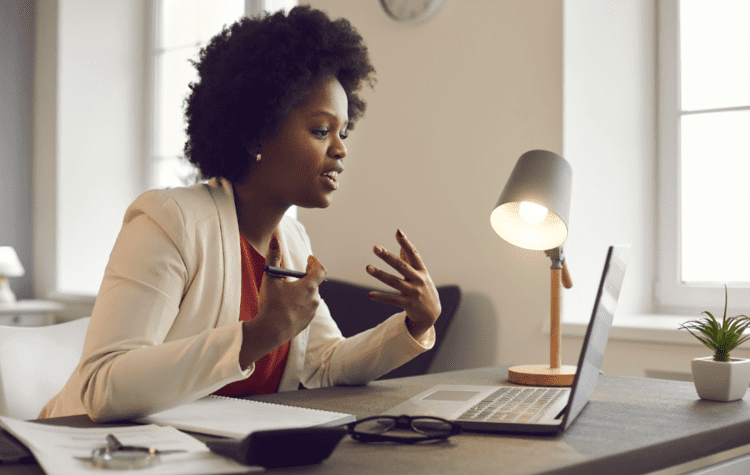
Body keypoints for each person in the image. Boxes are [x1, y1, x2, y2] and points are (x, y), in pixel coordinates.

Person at [39, 5, 441, 422]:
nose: (340, 149)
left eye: (343, 132)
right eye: (321, 131)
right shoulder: (170, 220)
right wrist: (255, 337)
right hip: (92, 453)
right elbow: (105, 387)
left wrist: (415, 323)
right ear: (255, 133)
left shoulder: (293, 243)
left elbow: (324, 364)